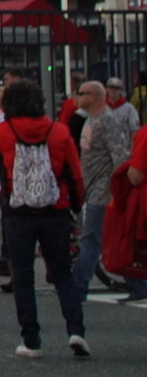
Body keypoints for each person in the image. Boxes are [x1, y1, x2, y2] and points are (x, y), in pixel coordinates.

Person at [0, 78, 85, 358]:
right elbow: (75, 174)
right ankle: (75, 330)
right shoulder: (59, 131)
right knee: (62, 273)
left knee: (23, 276)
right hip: (56, 208)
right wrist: (75, 206)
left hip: (19, 210)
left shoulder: (5, 131)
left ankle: (32, 340)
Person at [70, 80, 145, 304]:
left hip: (103, 192)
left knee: (91, 240)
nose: (77, 97)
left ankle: (77, 287)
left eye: (81, 93)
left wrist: (115, 190)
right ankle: (136, 284)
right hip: (94, 189)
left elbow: (120, 157)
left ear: (94, 96)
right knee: (99, 240)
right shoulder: (92, 120)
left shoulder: (108, 122)